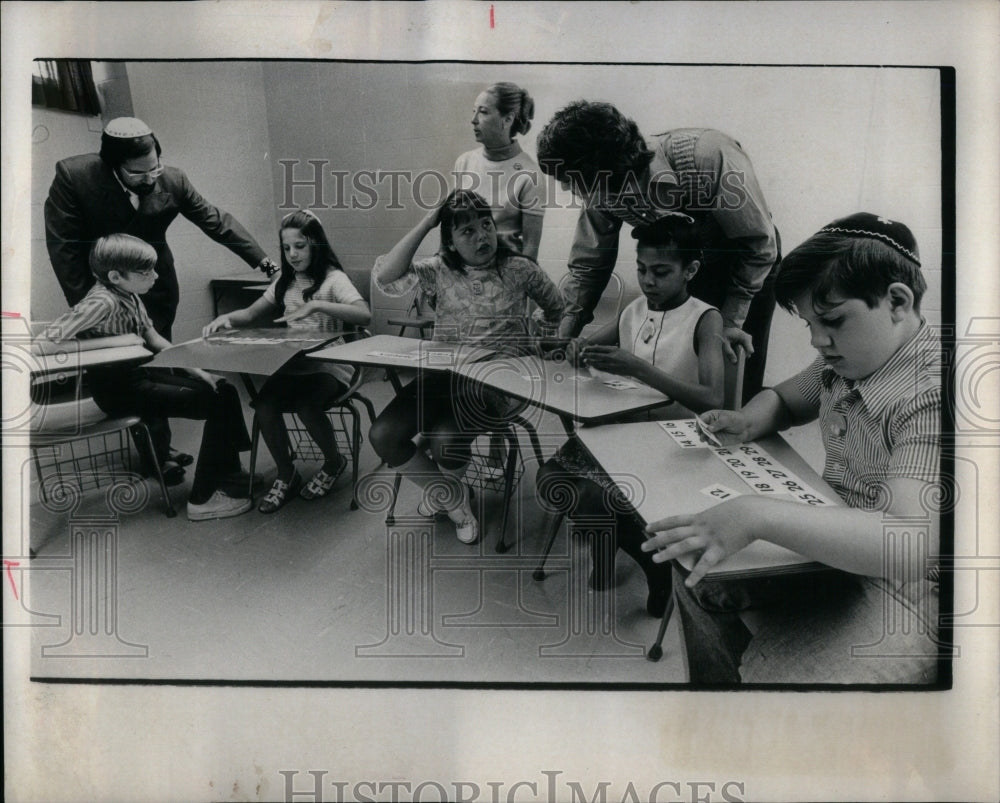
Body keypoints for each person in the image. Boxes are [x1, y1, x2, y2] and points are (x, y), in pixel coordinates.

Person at [642, 213, 942, 684]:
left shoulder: (931, 392)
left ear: (897, 302)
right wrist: (746, 420)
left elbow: (907, 544)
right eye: (808, 325)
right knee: (696, 566)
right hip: (840, 536)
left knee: (781, 680)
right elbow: (783, 400)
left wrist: (757, 515)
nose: (817, 340)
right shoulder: (847, 357)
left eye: (832, 321)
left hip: (914, 588)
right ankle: (721, 704)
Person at [44, 116, 277, 477]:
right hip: (104, 290)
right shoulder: (75, 177)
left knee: (158, 364)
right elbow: (63, 249)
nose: (151, 178)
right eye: (138, 174)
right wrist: (95, 307)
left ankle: (162, 447)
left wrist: (263, 261)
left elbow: (215, 220)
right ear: (113, 165)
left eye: (155, 168)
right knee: (128, 373)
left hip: (154, 285)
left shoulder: (173, 179)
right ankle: (156, 456)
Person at [535, 216, 725, 617]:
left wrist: (637, 367)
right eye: (641, 270)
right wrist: (577, 350)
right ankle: (610, 548)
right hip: (619, 428)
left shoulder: (705, 318)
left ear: (690, 271)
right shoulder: (635, 308)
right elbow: (587, 344)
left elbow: (712, 398)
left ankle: (652, 568)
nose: (648, 280)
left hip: (672, 439)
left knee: (591, 497)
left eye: (661, 272)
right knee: (549, 479)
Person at [535, 101, 780, 402]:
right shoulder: (600, 190)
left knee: (735, 387)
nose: (567, 189)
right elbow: (588, 266)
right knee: (673, 377)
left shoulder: (708, 154)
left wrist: (730, 322)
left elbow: (758, 245)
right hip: (681, 269)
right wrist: (565, 333)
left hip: (748, 267)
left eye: (569, 180)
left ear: (600, 168)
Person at [369, 190, 564, 545]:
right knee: (383, 435)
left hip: (498, 383)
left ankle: (448, 497)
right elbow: (385, 276)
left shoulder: (519, 269)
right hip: (443, 376)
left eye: (485, 225)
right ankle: (453, 497)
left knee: (445, 440)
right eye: (467, 232)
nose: (482, 237)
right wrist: (429, 221)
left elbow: (557, 308)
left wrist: (537, 338)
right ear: (451, 242)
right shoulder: (439, 270)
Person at [40, 234, 254, 522]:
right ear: (116, 276)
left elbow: (153, 338)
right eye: (145, 271)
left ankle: (228, 475)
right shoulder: (101, 301)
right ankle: (202, 500)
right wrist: (106, 344)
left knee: (222, 389)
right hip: (115, 391)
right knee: (215, 402)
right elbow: (44, 342)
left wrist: (200, 372)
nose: (155, 275)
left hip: (138, 378)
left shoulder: (129, 295)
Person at [203, 210, 371, 513]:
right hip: (295, 364)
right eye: (286, 247)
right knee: (264, 407)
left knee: (308, 405)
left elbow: (364, 315)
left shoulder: (333, 279)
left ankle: (334, 463)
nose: (292, 254)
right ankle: (286, 472)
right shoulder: (284, 280)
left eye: (300, 246)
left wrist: (317, 304)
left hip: (332, 364)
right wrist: (227, 317)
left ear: (316, 245)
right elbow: (252, 313)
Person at [453, 82, 545, 260]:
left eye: (483, 112)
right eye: (474, 111)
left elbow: (530, 248)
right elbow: (453, 224)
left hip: (507, 273)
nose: (474, 120)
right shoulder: (464, 162)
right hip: (465, 269)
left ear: (508, 119)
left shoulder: (530, 173)